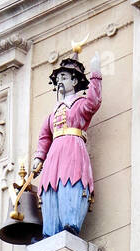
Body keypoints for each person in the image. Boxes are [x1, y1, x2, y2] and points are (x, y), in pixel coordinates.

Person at [31, 51, 102, 238]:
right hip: (54, 153)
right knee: (50, 186)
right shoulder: (54, 110)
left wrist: (96, 75)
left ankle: (70, 222)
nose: (61, 81)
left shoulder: (80, 103)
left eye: (65, 77)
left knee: (70, 181)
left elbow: (94, 103)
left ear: (75, 81)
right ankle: (50, 229)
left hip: (72, 148)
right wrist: (39, 157)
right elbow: (45, 135)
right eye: (59, 78)